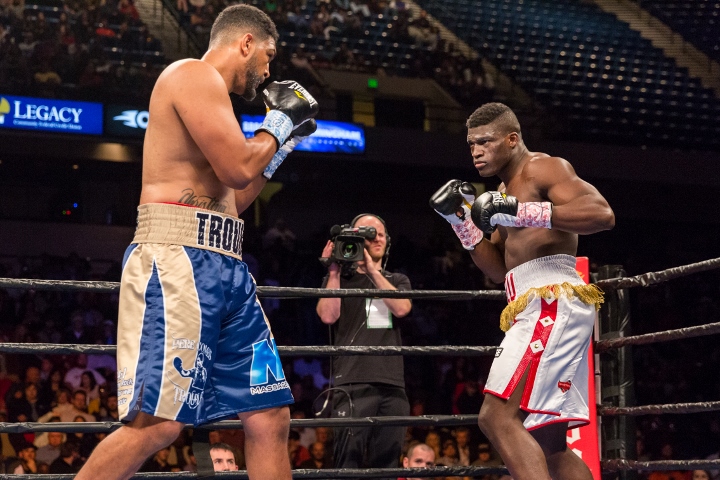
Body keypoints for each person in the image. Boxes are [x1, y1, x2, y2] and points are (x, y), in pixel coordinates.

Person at [74, 5, 319, 480]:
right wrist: (279, 125)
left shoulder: (219, 106)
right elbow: (239, 168)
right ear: (245, 43)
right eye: (267, 57)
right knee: (157, 426)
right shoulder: (192, 75)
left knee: (269, 415)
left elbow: (235, 196)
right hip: (176, 262)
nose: (268, 72)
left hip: (226, 264)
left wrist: (280, 143)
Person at [430, 102, 615, 480]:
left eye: (485, 141)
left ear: (512, 140)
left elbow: (602, 214)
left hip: (552, 299)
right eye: (470, 144)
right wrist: (460, 221)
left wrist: (525, 211)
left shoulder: (544, 168)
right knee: (549, 445)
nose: (476, 151)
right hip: (530, 303)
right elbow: (498, 268)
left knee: (496, 417)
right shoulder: (502, 191)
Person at [316, 213, 413, 475]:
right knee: (347, 464)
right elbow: (327, 315)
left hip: (392, 384)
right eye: (369, 233)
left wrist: (372, 271)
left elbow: (402, 308)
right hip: (352, 382)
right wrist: (334, 270)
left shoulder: (397, 280)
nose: (377, 238)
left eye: (381, 233)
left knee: (388, 467)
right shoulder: (339, 282)